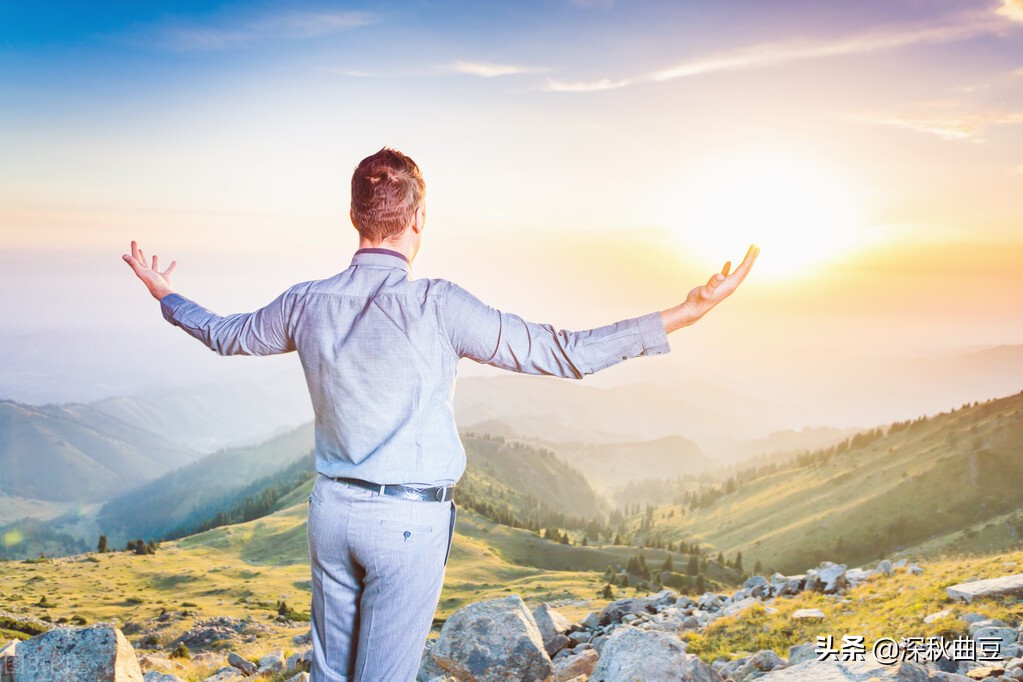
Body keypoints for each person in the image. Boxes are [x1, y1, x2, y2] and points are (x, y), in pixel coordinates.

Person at [121, 146, 758, 681]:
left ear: (353, 216)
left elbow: (225, 333)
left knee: (328, 674)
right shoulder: (439, 304)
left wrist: (165, 293)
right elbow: (564, 353)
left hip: (331, 511)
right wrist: (685, 312)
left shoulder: (305, 302)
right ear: (419, 217)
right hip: (406, 522)